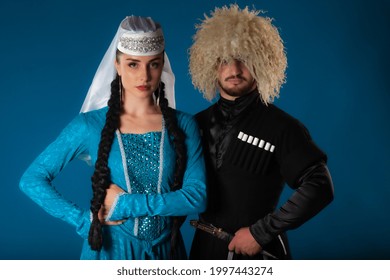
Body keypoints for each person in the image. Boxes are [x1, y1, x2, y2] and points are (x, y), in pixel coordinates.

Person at [19, 15, 207, 260]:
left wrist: (126, 204)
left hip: (167, 253)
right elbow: (32, 179)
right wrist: (83, 220)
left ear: (163, 66)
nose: (144, 75)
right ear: (117, 65)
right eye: (133, 64)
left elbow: (197, 198)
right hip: (110, 252)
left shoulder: (184, 124)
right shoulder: (89, 125)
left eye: (153, 64)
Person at [188, 4, 334, 260]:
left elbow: (319, 186)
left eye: (244, 59)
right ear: (211, 64)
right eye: (223, 60)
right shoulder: (195, 124)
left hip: (260, 252)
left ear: (262, 61)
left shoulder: (282, 126)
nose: (233, 70)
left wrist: (261, 232)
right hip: (203, 251)